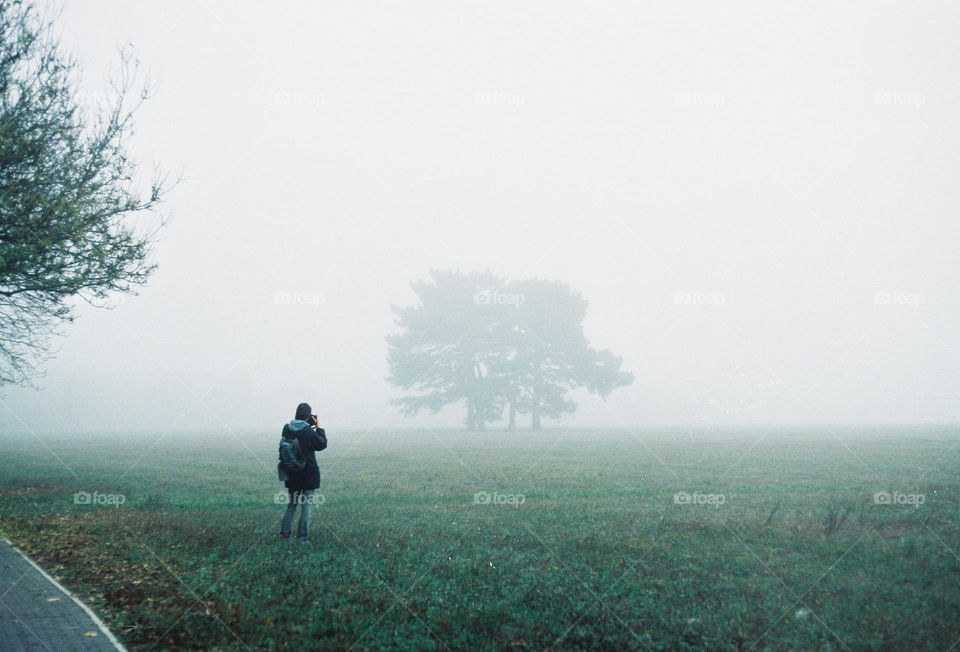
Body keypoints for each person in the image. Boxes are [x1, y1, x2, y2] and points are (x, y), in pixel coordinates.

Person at [279, 402, 327, 543]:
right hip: (308, 473)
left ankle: (285, 534)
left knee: (292, 504)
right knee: (306, 506)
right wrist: (318, 427)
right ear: (308, 416)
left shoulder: (286, 428)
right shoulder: (308, 432)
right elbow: (322, 444)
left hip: (292, 471)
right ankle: (302, 538)